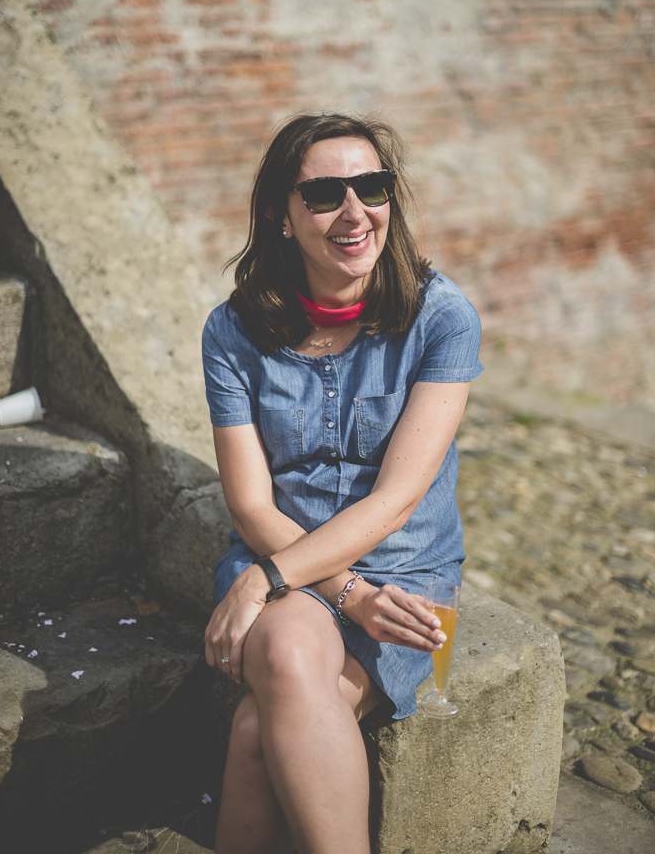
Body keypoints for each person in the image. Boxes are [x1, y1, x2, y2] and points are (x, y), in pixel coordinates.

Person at [202, 113, 483, 854]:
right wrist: (321, 587)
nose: (355, 212)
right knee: (291, 658)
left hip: (404, 576)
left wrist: (265, 582)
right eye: (325, 194)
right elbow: (251, 504)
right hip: (289, 560)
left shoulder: (442, 319)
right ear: (282, 216)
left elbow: (395, 503)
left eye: (372, 187)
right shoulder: (231, 333)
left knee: (259, 725)